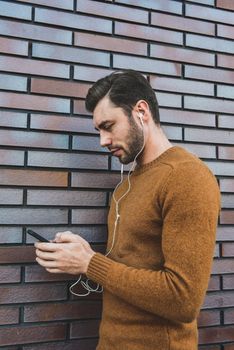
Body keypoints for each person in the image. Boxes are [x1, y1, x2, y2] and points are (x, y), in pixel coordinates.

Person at [35, 70, 221, 350]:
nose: (103, 140)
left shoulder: (187, 177)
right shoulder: (125, 187)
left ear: (141, 111)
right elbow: (127, 266)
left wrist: (90, 263)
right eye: (98, 130)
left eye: (109, 125)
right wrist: (79, 256)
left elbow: (183, 300)